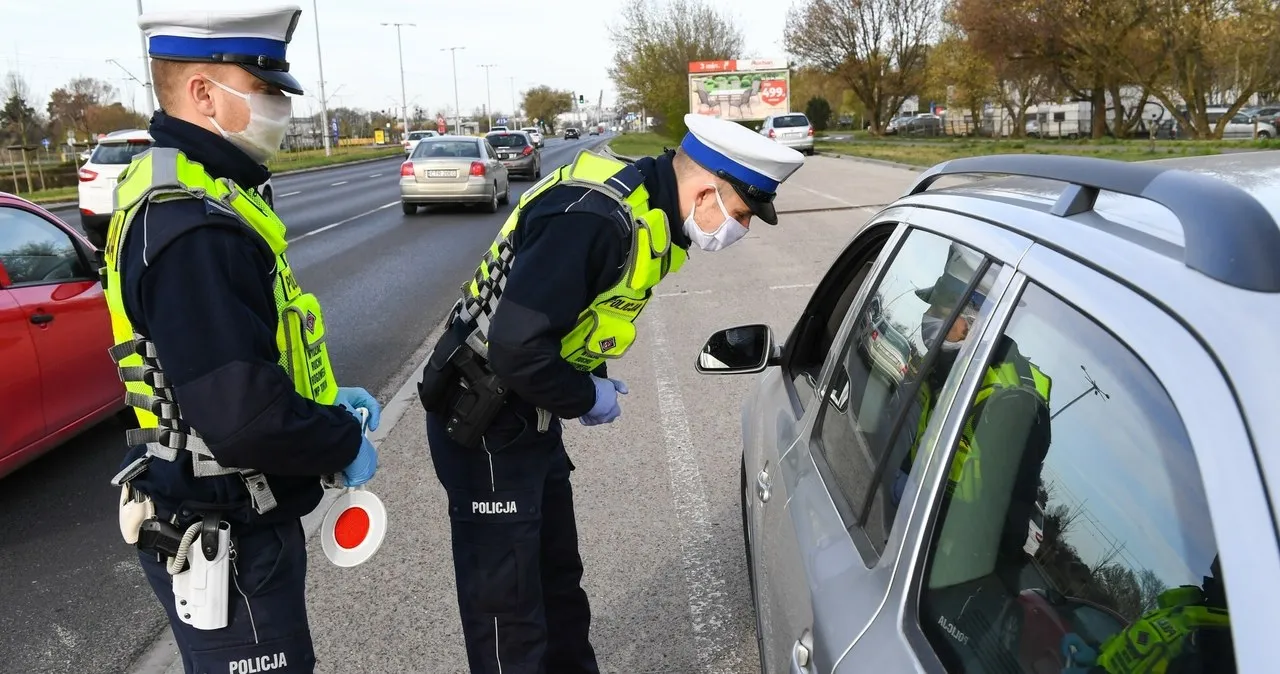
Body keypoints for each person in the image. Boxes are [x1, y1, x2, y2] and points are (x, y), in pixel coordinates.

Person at [417, 114, 804, 673]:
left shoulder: (646, 211)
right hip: (484, 419)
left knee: (558, 588)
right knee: (509, 616)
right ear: (704, 189)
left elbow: (575, 311)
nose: (736, 230)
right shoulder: (598, 219)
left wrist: (585, 374)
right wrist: (584, 395)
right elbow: (517, 347)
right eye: (739, 214)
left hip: (526, 410)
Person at [102, 6, 380, 672]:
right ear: (203, 93)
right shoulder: (195, 227)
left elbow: (222, 362)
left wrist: (322, 400)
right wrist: (341, 440)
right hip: (228, 540)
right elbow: (243, 415)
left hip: (221, 519)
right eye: (265, 91)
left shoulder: (184, 188)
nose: (280, 107)